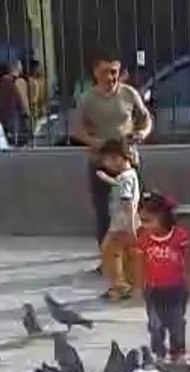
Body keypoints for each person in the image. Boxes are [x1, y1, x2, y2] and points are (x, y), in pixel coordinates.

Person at [71, 49, 153, 262]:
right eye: (105, 72)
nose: (110, 77)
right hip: (100, 163)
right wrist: (94, 142)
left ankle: (135, 256)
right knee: (104, 212)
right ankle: (108, 259)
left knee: (134, 209)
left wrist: (142, 133)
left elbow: (145, 118)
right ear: (95, 72)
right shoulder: (87, 99)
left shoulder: (129, 94)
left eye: (114, 72)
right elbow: (76, 130)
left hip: (128, 162)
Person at [135, 191, 190, 362]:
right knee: (155, 325)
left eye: (148, 220)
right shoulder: (144, 238)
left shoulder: (179, 236)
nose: (144, 225)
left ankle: (178, 353)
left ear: (163, 217)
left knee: (176, 323)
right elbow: (139, 263)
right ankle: (158, 353)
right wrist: (138, 286)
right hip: (153, 290)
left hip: (176, 289)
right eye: (141, 220)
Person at [96, 139, 141, 301]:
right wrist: (107, 179)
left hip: (121, 225)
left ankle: (120, 286)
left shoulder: (125, 178)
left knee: (110, 253)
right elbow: (119, 185)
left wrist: (130, 227)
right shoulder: (129, 175)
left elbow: (127, 202)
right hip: (125, 223)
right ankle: (130, 283)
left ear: (118, 158)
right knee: (127, 254)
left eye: (107, 160)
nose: (105, 164)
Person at [0, 59, 32, 147]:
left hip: (6, 116)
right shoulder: (20, 81)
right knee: (21, 142)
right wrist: (28, 113)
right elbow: (23, 99)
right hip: (18, 116)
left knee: (10, 142)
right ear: (18, 67)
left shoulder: (4, 80)